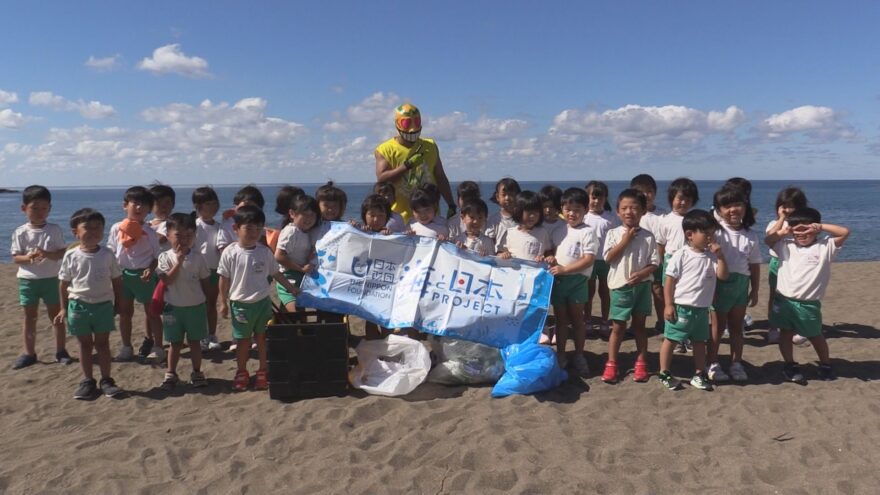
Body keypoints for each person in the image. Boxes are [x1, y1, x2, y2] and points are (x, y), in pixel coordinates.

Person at [218, 205, 299, 392]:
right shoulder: (230, 252)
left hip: (262, 303)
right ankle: (241, 371)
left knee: (263, 338)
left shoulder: (264, 252)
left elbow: (276, 274)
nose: (254, 233)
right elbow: (223, 279)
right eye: (248, 228)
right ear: (236, 229)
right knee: (243, 341)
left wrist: (291, 288)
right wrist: (223, 302)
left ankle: (263, 370)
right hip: (240, 305)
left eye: (258, 228)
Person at [765, 207, 849, 384]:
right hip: (784, 300)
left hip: (809, 304)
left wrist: (819, 227)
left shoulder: (825, 246)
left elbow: (844, 232)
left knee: (815, 335)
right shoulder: (785, 245)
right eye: (797, 229)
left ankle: (825, 364)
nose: (802, 233)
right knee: (785, 333)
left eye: (806, 229)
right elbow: (768, 239)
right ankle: (790, 364)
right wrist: (785, 229)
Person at [55, 208, 124, 399]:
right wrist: (63, 307)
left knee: (102, 344)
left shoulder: (108, 254)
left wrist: (118, 303)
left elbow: (117, 281)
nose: (94, 231)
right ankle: (87, 381)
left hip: (103, 305)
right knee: (84, 345)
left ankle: (107, 380)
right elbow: (63, 284)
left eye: (98, 227)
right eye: (88, 227)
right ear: (75, 232)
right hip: (78, 305)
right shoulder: (71, 255)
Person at [659, 209, 728, 391]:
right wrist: (668, 304)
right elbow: (669, 281)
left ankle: (699, 373)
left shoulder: (712, 256)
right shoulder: (681, 255)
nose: (710, 238)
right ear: (690, 234)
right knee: (671, 339)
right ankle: (664, 371)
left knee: (699, 342)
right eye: (706, 234)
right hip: (682, 307)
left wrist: (721, 256)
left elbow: (722, 276)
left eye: (712, 234)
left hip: (702, 308)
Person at [10, 185, 72, 369]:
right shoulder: (20, 232)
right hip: (28, 280)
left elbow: (62, 252)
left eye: (44, 208)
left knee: (56, 316)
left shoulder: (54, 229)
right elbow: (15, 257)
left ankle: (61, 350)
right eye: (34, 208)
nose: (39, 212)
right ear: (24, 208)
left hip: (52, 278)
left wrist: (47, 254)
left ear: (49, 208)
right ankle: (29, 353)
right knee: (30, 317)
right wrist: (28, 257)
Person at [601, 189, 658, 384]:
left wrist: (643, 273)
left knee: (640, 326)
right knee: (618, 327)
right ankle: (611, 363)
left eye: (634, 208)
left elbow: (654, 262)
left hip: (642, 287)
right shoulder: (613, 233)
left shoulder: (649, 237)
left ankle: (641, 362)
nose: (629, 212)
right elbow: (608, 258)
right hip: (620, 286)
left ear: (643, 211)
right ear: (617, 211)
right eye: (624, 208)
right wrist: (625, 240)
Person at [707, 185, 762, 383]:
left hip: (741, 284)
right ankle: (712, 361)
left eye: (737, 204)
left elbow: (754, 265)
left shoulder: (751, 235)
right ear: (719, 210)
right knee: (717, 326)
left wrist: (755, 289)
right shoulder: (716, 232)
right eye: (727, 206)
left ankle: (736, 362)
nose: (733, 210)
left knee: (737, 326)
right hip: (719, 284)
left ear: (745, 207)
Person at [107, 186, 163, 362]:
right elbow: (111, 252)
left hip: (144, 277)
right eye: (135, 204)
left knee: (152, 313)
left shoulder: (151, 232)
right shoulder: (117, 228)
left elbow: (156, 258)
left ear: (149, 209)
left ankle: (158, 347)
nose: (139, 208)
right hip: (123, 276)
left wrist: (150, 269)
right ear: (125, 205)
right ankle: (126, 347)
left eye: (144, 205)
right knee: (125, 313)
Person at [545, 187, 597, 376]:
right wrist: (550, 257)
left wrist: (565, 269)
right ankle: (561, 354)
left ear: (585, 210)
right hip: (558, 281)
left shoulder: (587, 232)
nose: (572, 213)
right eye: (567, 209)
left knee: (577, 320)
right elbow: (550, 250)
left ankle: (579, 355)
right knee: (560, 321)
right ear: (562, 209)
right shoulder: (558, 230)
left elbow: (588, 259)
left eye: (577, 209)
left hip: (577, 281)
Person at [374, 103, 455, 224]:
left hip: (430, 216)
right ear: (397, 124)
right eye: (406, 123)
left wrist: (451, 204)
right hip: (400, 220)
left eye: (416, 122)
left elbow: (440, 177)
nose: (412, 128)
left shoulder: (430, 146)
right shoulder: (385, 149)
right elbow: (382, 179)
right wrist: (406, 166)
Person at [156, 213, 210, 390]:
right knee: (175, 343)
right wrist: (178, 262)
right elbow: (167, 281)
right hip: (173, 307)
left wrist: (209, 301)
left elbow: (205, 281)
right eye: (178, 235)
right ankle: (171, 373)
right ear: (168, 235)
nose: (184, 240)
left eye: (189, 235)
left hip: (195, 306)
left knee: (195, 342)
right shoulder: (164, 257)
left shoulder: (198, 257)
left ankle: (197, 371)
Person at [655, 177, 700, 353]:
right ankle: (674, 336)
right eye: (679, 198)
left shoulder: (695, 219)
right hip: (671, 261)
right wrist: (660, 266)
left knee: (687, 297)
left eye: (688, 199)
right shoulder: (664, 220)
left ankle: (687, 336)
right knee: (671, 299)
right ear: (672, 198)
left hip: (691, 262)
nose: (683, 202)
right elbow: (660, 245)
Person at [765, 187, 809, 345]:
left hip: (797, 265)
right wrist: (782, 220)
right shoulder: (775, 223)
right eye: (783, 205)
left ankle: (797, 328)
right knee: (774, 297)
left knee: (796, 296)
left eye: (791, 206)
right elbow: (770, 236)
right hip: (778, 263)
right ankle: (773, 328)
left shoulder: (803, 225)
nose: (787, 209)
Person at [630, 174, 667, 333]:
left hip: (656, 260)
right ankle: (635, 324)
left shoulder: (662, 215)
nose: (646, 195)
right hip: (636, 261)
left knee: (658, 291)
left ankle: (662, 321)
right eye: (641, 192)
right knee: (635, 293)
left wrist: (656, 262)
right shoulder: (632, 213)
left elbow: (662, 242)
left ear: (655, 192)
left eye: (649, 191)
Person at [274, 195, 320, 312]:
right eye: (304, 214)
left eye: (312, 215)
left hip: (301, 277)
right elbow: (279, 256)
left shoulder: (306, 232)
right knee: (295, 314)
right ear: (292, 213)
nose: (309, 218)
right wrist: (301, 268)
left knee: (296, 313)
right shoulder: (291, 231)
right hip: (288, 277)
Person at [584, 181, 617, 338]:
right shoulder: (583, 217)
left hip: (605, 260)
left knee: (604, 292)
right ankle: (588, 320)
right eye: (593, 197)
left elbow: (616, 239)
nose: (596, 201)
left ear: (605, 198)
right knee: (588, 292)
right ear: (587, 197)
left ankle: (604, 321)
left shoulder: (610, 219)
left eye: (600, 197)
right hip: (588, 260)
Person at [192, 186, 223, 351]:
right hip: (195, 271)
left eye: (215, 203)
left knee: (211, 303)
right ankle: (200, 336)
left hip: (213, 270)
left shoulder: (220, 226)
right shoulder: (194, 225)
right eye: (208, 204)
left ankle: (211, 335)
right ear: (198, 206)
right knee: (198, 305)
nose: (213, 207)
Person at [496, 191, 553, 261]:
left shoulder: (542, 232)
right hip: (515, 270)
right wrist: (503, 254)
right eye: (529, 212)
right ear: (519, 211)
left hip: (535, 271)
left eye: (536, 212)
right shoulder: (510, 233)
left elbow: (548, 251)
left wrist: (548, 257)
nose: (532, 216)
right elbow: (499, 252)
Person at [485, 178, 521, 244]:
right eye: (504, 195)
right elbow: (489, 242)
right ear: (497, 197)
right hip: (498, 254)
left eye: (511, 194)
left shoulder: (522, 218)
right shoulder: (494, 220)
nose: (507, 198)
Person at [148, 183, 175, 252]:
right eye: (158, 204)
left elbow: (161, 239)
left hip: (164, 261)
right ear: (150, 206)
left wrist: (141, 229)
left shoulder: (173, 223)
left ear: (173, 204)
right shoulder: (148, 223)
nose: (163, 207)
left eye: (167, 202)